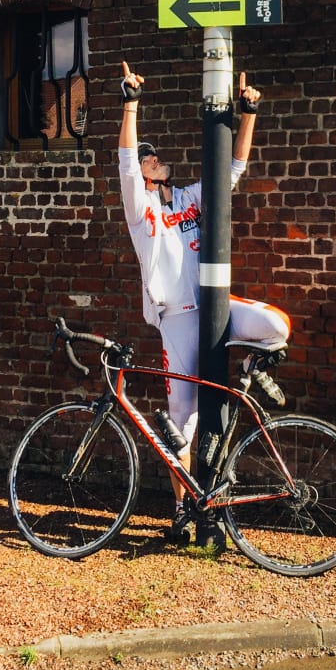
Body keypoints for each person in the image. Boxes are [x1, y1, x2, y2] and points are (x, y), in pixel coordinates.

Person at [118, 60, 291, 543]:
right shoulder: (142, 211)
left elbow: (233, 169)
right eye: (149, 159)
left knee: (276, 327)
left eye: (153, 157)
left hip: (216, 309)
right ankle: (181, 509)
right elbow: (126, 163)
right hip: (177, 319)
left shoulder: (193, 196)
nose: (154, 160)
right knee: (181, 427)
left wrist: (248, 112)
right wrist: (130, 104)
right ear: (146, 174)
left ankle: (253, 373)